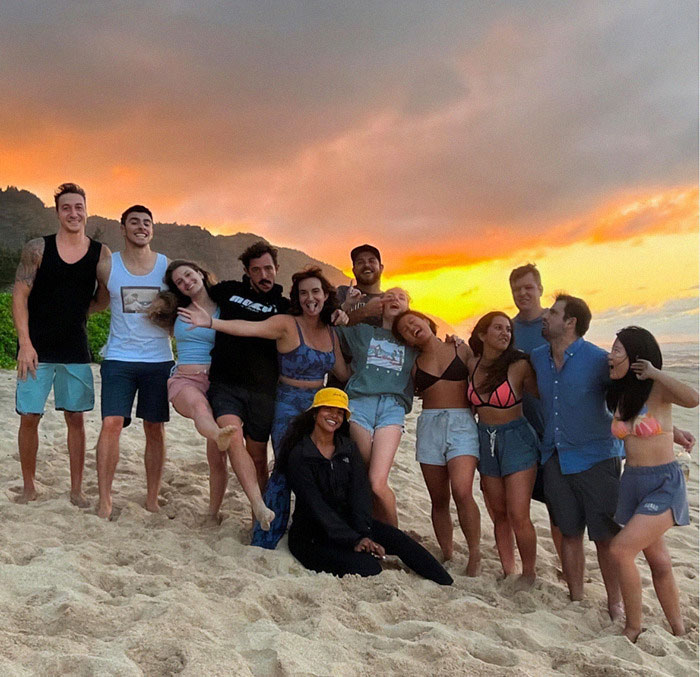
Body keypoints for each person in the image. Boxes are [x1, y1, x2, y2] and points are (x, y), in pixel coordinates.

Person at [178, 267, 349, 547]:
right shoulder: (286, 323)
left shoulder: (331, 333)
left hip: (319, 407)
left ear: (326, 294)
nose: (310, 298)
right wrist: (211, 323)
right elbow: (248, 327)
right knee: (286, 466)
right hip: (287, 404)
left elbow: (343, 372)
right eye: (303, 293)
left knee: (320, 468)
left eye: (315, 291)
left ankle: (316, 529)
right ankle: (266, 536)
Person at [277, 387, 453, 585]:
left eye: (340, 412)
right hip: (312, 534)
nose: (334, 416)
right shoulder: (299, 454)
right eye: (328, 409)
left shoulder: (348, 448)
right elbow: (315, 506)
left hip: (350, 522)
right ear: (315, 412)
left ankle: (448, 584)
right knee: (368, 567)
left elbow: (359, 494)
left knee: (399, 539)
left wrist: (365, 534)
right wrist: (354, 540)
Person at [147, 260, 273, 528]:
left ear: (201, 273)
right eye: (179, 281)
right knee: (202, 413)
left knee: (218, 457)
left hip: (218, 382)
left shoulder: (226, 306)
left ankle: (225, 511)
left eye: (189, 275)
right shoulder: (176, 309)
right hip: (186, 380)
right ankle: (218, 434)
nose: (186, 282)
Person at [12, 182, 109, 507]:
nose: (73, 213)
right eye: (66, 207)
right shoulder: (37, 248)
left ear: (86, 210)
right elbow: (19, 296)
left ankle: (77, 489)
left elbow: (103, 298)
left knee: (76, 418)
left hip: (75, 349)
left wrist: (81, 311)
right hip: (35, 349)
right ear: (58, 212)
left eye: (78, 207)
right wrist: (25, 343)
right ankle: (29, 486)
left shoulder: (100, 252)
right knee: (29, 417)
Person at [531, 294, 625, 617]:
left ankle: (615, 603)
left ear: (570, 323)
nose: (545, 315)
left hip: (598, 459)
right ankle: (576, 599)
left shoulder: (599, 361)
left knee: (605, 538)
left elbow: (631, 399)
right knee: (569, 533)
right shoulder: (537, 357)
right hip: (555, 458)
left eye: (553, 312)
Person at [606, 327, 698, 642]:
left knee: (620, 551)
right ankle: (680, 631)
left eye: (617, 350)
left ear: (635, 358)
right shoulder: (621, 393)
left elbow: (693, 398)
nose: (610, 356)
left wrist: (657, 373)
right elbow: (645, 428)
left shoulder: (658, 389)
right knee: (658, 561)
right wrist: (673, 432)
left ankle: (633, 628)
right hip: (631, 483)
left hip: (664, 483)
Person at [95, 205, 174, 519]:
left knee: (154, 428)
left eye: (147, 223)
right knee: (110, 424)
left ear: (152, 229)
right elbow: (96, 299)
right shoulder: (107, 266)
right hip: (118, 358)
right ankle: (105, 500)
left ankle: (152, 498)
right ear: (123, 227)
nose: (142, 227)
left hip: (159, 360)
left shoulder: (167, 267)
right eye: (135, 222)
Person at [393, 309, 482, 576]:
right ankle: (448, 553)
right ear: (407, 341)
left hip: (462, 424)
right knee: (438, 498)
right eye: (405, 330)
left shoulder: (460, 349)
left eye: (413, 321)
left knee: (462, 491)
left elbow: (482, 376)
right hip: (430, 424)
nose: (411, 328)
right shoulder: (414, 363)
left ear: (425, 320)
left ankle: (475, 554)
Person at [205, 241, 291, 497]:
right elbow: (193, 291)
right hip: (225, 384)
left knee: (258, 458)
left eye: (268, 269)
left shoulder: (285, 307)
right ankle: (254, 504)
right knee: (232, 437)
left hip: (263, 391)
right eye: (256, 270)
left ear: (276, 268)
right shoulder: (228, 290)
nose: (263, 275)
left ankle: (258, 521)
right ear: (247, 271)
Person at [468, 312, 539, 585]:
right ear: (482, 334)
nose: (504, 333)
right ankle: (509, 570)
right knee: (498, 513)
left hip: (517, 439)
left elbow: (547, 396)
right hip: (485, 440)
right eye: (497, 328)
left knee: (519, 514)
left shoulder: (519, 364)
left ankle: (529, 572)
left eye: (508, 329)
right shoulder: (472, 363)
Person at [334, 288, 416, 527]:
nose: (395, 299)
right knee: (365, 473)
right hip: (359, 404)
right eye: (389, 295)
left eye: (402, 297)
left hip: (392, 408)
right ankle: (370, 524)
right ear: (379, 303)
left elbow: (439, 354)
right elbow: (331, 330)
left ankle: (395, 536)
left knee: (378, 482)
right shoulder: (363, 332)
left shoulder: (413, 341)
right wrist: (349, 307)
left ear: (409, 308)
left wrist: (457, 341)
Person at [509, 263, 563, 564]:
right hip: (520, 431)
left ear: (540, 288)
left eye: (528, 287)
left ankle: (565, 563)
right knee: (516, 503)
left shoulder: (556, 323)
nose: (523, 293)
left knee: (559, 505)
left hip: (556, 429)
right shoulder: (509, 329)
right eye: (517, 289)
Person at [335, 244, 384, 327]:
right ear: (354, 270)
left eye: (371, 261)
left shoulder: (391, 299)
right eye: (360, 262)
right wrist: (365, 311)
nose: (366, 265)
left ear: (381, 268)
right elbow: (331, 325)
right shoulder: (343, 292)